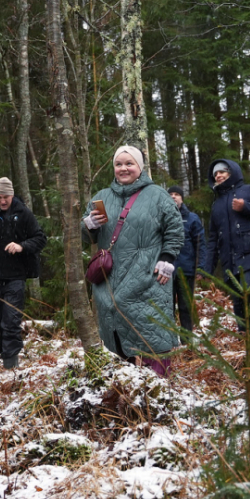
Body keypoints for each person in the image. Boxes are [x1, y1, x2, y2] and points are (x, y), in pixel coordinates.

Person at [80, 145, 183, 375]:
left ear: (140, 167)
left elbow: (175, 230)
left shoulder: (157, 195)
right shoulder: (101, 198)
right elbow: (85, 238)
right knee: (117, 342)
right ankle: (125, 396)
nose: (123, 168)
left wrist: (166, 258)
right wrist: (89, 226)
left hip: (148, 277)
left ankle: (159, 392)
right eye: (119, 164)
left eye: (129, 163)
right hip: (110, 281)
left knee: (153, 337)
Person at [0, 177, 46, 368]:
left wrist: (21, 246)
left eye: (7, 197)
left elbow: (40, 238)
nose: (3, 201)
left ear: (12, 195)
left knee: (11, 321)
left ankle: (11, 365)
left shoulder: (23, 212)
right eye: (0, 197)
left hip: (15, 276)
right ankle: (5, 355)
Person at [204, 159, 250, 330]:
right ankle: (246, 344)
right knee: (239, 305)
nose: (218, 175)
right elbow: (213, 240)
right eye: (215, 174)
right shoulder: (216, 205)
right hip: (229, 261)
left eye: (222, 171)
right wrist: (206, 269)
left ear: (232, 171)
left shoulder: (248, 191)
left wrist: (246, 207)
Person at [166, 185, 203, 333]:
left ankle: (187, 341)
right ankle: (169, 342)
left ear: (182, 198)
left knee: (185, 306)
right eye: (171, 194)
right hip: (165, 271)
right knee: (166, 307)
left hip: (186, 270)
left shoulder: (192, 219)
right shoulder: (161, 218)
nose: (173, 196)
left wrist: (200, 267)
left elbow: (201, 245)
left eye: (177, 194)